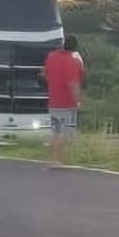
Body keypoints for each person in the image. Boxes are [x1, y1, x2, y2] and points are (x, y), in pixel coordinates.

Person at [43, 34, 85, 166]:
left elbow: (44, 74)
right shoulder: (74, 62)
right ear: (75, 47)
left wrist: (54, 83)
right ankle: (57, 160)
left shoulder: (51, 57)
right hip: (66, 104)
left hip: (53, 102)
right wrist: (77, 101)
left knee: (55, 131)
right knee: (65, 133)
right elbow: (73, 84)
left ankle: (55, 159)